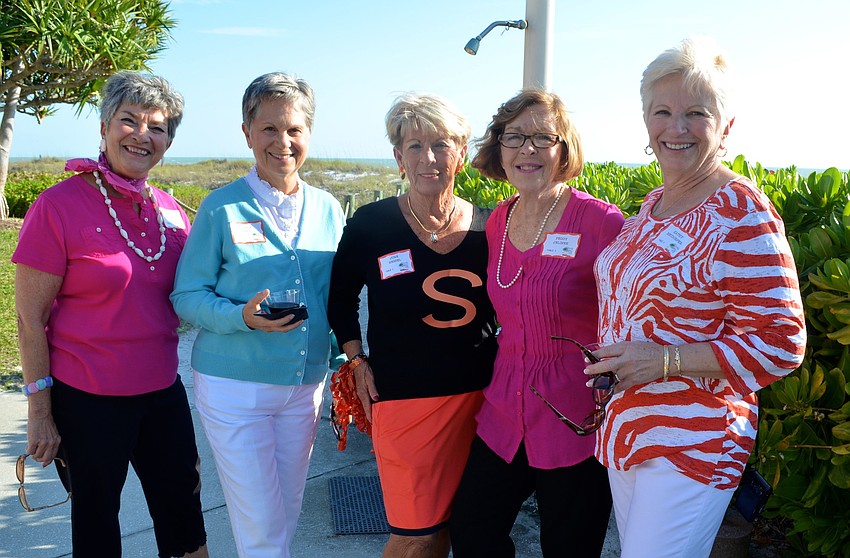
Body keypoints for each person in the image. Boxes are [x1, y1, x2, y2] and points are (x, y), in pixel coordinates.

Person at [584, 37, 807, 558]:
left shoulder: (740, 211)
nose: (676, 127)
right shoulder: (655, 202)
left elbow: (782, 342)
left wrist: (662, 361)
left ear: (725, 126)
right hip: (629, 429)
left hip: (693, 440)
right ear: (646, 122)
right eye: (662, 111)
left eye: (696, 112)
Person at [13, 72, 208, 557]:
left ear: (168, 142)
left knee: (185, 518)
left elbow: (194, 293)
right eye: (129, 121)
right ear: (104, 127)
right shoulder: (57, 205)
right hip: (88, 400)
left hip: (163, 392)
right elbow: (28, 319)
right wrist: (40, 412)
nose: (142, 135)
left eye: (158, 127)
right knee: (97, 531)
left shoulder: (170, 210)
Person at [170, 72, 345, 558]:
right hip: (234, 388)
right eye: (268, 129)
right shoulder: (221, 207)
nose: (282, 142)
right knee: (262, 523)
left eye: (294, 129)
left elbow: (335, 296)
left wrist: (338, 362)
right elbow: (186, 295)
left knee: (286, 512)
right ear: (246, 132)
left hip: (304, 388)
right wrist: (241, 317)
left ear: (309, 134)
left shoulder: (329, 208)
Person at [449, 89, 625, 558]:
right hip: (505, 408)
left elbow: (634, 312)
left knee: (569, 547)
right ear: (499, 149)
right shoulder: (498, 222)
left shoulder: (601, 222)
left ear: (563, 149)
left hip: (576, 415)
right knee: (472, 531)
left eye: (542, 137)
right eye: (515, 137)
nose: (527, 149)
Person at [327, 93, 498, 558]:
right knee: (414, 535)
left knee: (453, 525)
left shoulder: (491, 226)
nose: (429, 158)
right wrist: (355, 358)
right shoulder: (371, 224)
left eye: (442, 144)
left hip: (482, 402)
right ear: (398, 157)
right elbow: (340, 298)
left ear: (461, 153)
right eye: (415, 146)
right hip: (404, 401)